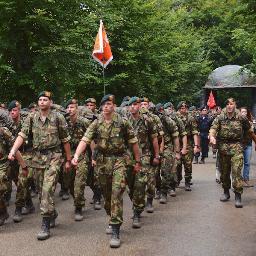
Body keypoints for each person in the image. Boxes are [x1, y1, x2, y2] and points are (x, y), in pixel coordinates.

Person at [72, 94, 141, 248]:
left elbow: (133, 142)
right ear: (101, 106)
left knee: (117, 192)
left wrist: (138, 161)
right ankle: (111, 217)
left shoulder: (122, 122)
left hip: (119, 161)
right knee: (107, 194)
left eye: (109, 104)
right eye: (104, 104)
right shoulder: (96, 123)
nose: (107, 106)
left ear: (114, 106)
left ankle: (116, 228)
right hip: (102, 163)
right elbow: (85, 139)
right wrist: (76, 155)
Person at [8, 91, 72, 240]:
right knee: (41, 189)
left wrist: (68, 160)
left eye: (45, 99)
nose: (42, 102)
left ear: (50, 102)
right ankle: (52, 212)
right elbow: (22, 135)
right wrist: (13, 150)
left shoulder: (58, 117)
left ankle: (45, 223)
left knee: (47, 189)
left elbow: (65, 140)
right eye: (40, 100)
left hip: (54, 157)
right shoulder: (32, 117)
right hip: (37, 159)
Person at [209, 98, 256, 208]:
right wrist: (212, 137)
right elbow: (213, 128)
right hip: (223, 149)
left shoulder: (241, 117)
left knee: (236, 172)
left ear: (235, 105)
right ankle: (226, 192)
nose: (229, 106)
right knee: (224, 173)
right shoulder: (220, 116)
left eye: (232, 104)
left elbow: (250, 131)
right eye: (227, 104)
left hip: (237, 148)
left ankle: (238, 196)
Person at [126, 96, 159, 228]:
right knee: (129, 186)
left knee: (140, 184)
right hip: (128, 157)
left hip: (144, 155)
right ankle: (137, 204)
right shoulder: (125, 121)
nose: (133, 107)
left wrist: (156, 155)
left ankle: (137, 212)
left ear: (140, 106)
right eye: (131, 105)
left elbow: (155, 139)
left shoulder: (147, 121)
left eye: (135, 104)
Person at [65, 99, 92, 221]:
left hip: (82, 154)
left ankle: (78, 207)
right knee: (68, 182)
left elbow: (92, 139)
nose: (70, 110)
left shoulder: (84, 122)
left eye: (72, 107)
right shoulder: (64, 122)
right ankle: (77, 199)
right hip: (68, 154)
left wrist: (94, 157)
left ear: (77, 108)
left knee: (79, 182)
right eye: (68, 108)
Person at [176, 101, 200, 191]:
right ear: (179, 109)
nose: (183, 109)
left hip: (189, 143)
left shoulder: (191, 118)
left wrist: (196, 145)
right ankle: (178, 179)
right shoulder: (175, 117)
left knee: (188, 164)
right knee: (177, 164)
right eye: (182, 108)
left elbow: (194, 132)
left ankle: (187, 181)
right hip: (178, 143)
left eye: (185, 108)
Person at [240, 107, 254, 187]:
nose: (244, 113)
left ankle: (246, 179)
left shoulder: (250, 122)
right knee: (238, 163)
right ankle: (238, 179)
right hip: (239, 144)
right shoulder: (237, 122)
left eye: (245, 112)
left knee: (247, 163)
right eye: (242, 111)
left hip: (248, 144)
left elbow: (253, 134)